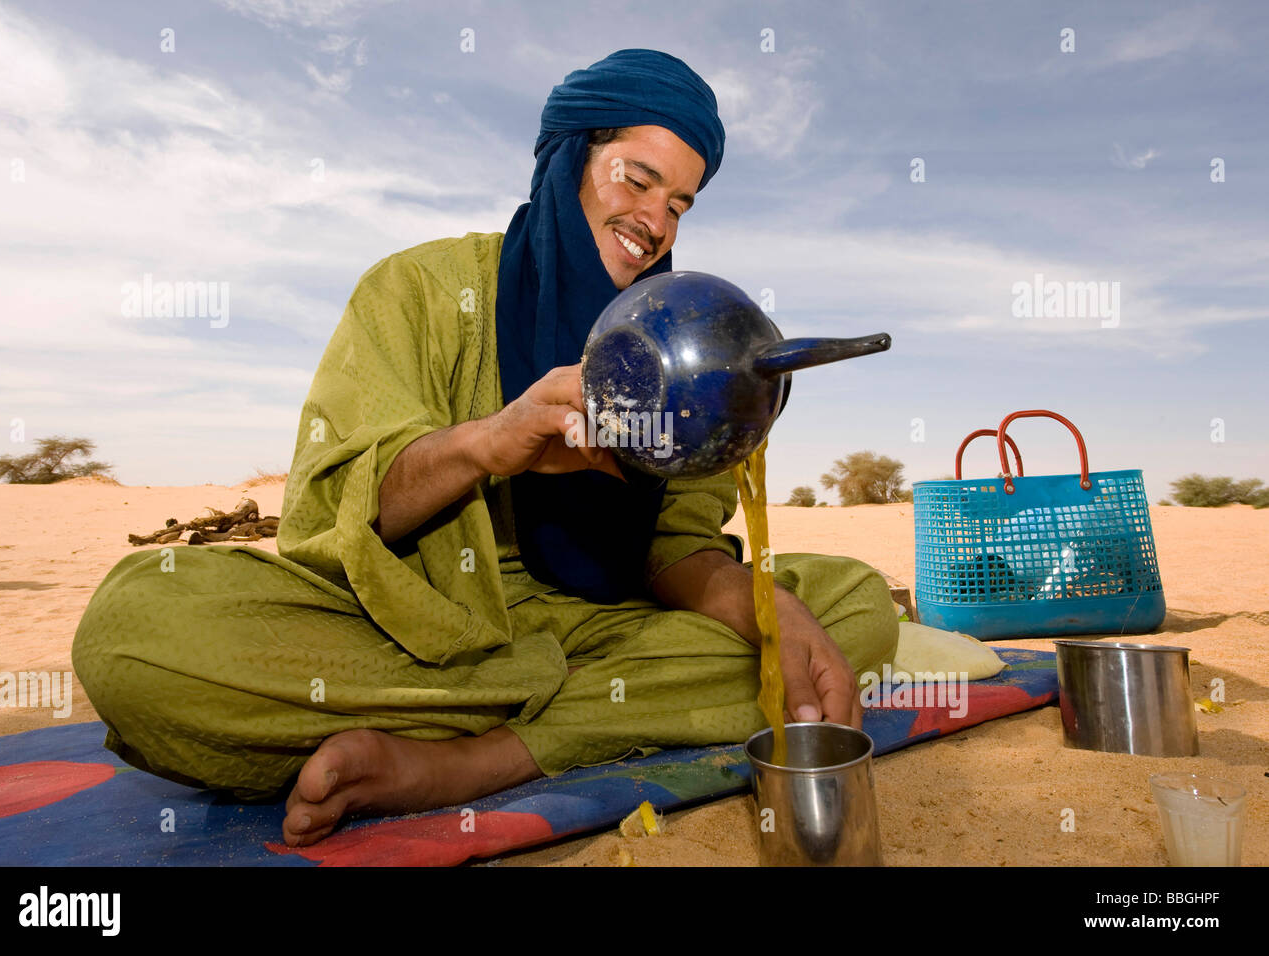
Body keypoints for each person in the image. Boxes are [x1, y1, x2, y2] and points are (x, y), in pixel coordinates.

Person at [71, 49, 899, 849]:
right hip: (421, 636)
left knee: (850, 608)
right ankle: (562, 716)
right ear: (571, 159)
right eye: (637, 179)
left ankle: (472, 759)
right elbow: (331, 515)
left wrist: (768, 611)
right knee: (136, 633)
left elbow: (675, 550)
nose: (654, 221)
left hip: (604, 634)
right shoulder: (422, 291)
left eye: (680, 203)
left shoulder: (680, 340)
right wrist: (488, 445)